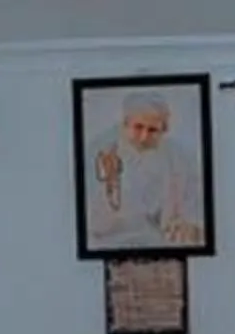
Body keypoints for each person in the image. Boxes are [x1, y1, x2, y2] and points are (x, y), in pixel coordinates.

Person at [86, 91, 206, 248]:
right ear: (125, 123)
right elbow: (93, 224)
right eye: (138, 127)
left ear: (164, 129)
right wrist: (109, 183)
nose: (144, 137)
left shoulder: (180, 158)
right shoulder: (99, 150)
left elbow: (196, 205)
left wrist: (190, 225)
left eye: (152, 130)